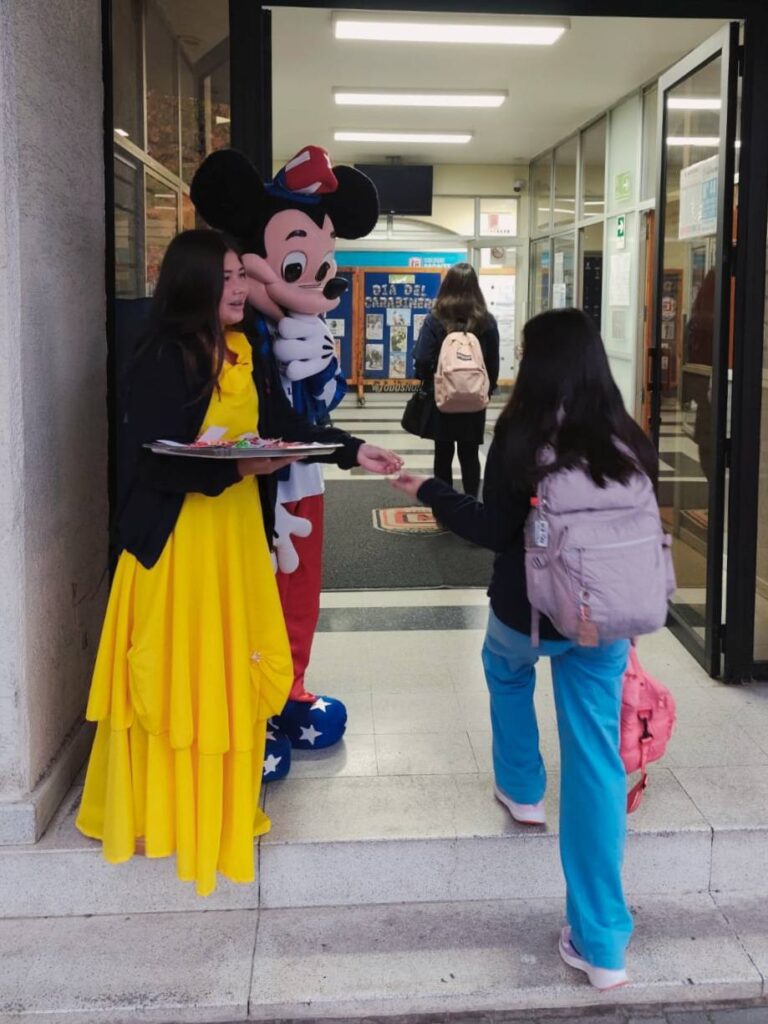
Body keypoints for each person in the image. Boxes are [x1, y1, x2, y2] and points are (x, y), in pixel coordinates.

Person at [76, 230, 401, 895]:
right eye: (225, 278)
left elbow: (286, 429)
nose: (239, 288)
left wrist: (351, 449)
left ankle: (218, 802)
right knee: (177, 677)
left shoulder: (247, 349)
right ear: (193, 283)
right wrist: (239, 468)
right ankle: (165, 811)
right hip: (177, 547)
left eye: (240, 276)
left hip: (235, 541)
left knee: (229, 669)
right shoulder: (162, 355)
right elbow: (156, 462)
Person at [392, 307, 659, 990]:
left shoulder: (520, 434)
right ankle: (602, 945)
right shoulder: (626, 435)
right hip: (602, 623)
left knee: (505, 670)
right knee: (596, 761)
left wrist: (427, 489)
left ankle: (522, 790)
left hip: (529, 612)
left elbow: (492, 528)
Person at [413, 262, 500, 498]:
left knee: (442, 453)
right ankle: (471, 502)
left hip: (442, 397)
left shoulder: (435, 318)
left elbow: (422, 358)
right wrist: (486, 390)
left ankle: (444, 506)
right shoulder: (487, 321)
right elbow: (492, 363)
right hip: (474, 399)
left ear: (447, 285)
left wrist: (429, 382)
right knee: (470, 454)